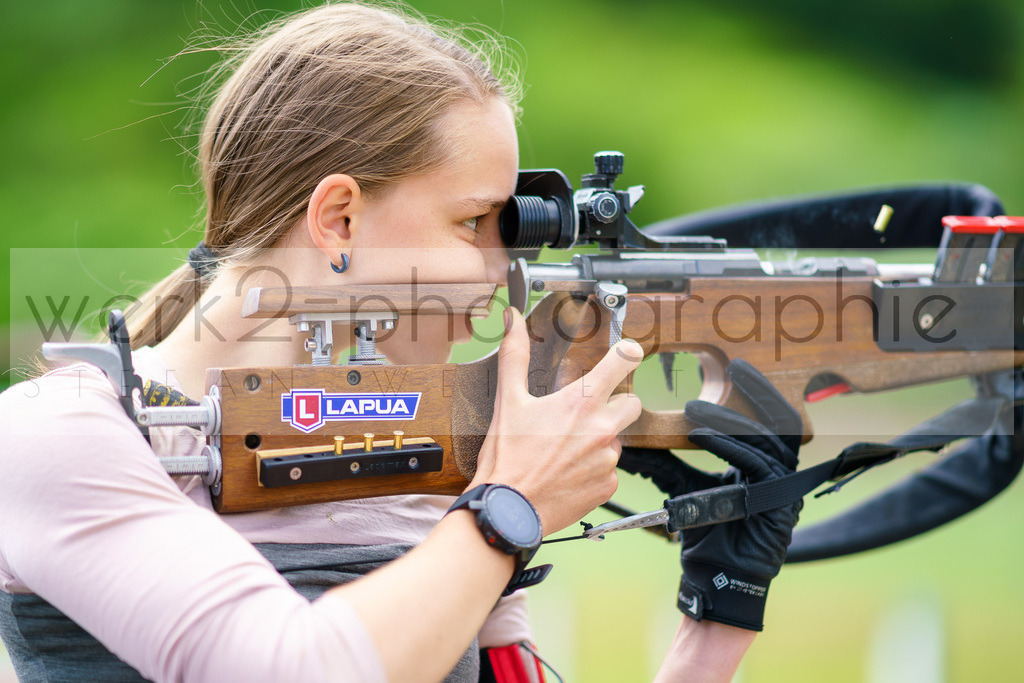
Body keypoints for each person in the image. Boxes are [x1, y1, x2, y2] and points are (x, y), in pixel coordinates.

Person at [0, 3, 801, 681]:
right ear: (339, 219)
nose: (506, 269)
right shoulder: (58, 434)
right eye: (474, 223)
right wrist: (505, 512)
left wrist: (719, 610)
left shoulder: (421, 451)